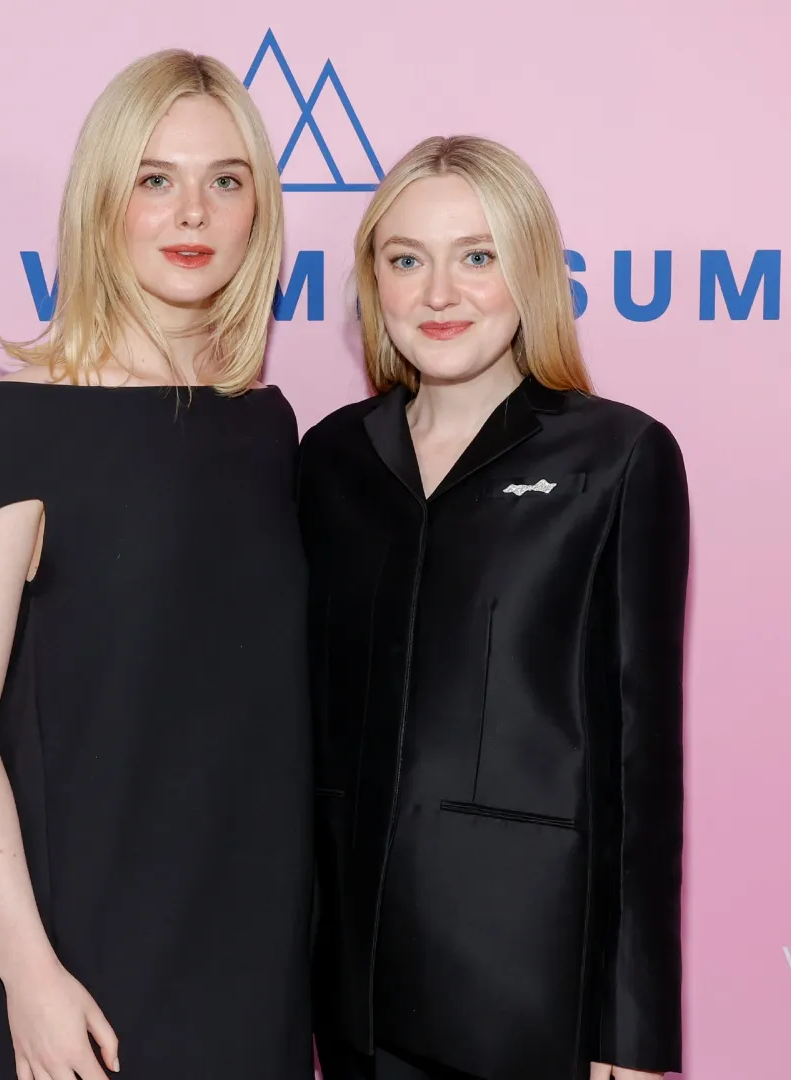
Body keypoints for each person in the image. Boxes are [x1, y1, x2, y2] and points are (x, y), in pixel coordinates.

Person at [0, 49, 310, 1080]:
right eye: (155, 179)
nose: (192, 213)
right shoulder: (20, 425)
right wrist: (28, 972)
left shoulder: (265, 428)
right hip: (74, 936)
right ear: (102, 202)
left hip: (251, 936)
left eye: (226, 181)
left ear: (258, 212)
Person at [300, 136, 688, 1080]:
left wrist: (631, 1030)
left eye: (476, 257)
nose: (439, 294)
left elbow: (639, 758)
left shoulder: (617, 457)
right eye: (406, 261)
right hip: (348, 983)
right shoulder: (329, 459)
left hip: (527, 982)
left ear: (530, 273)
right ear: (373, 283)